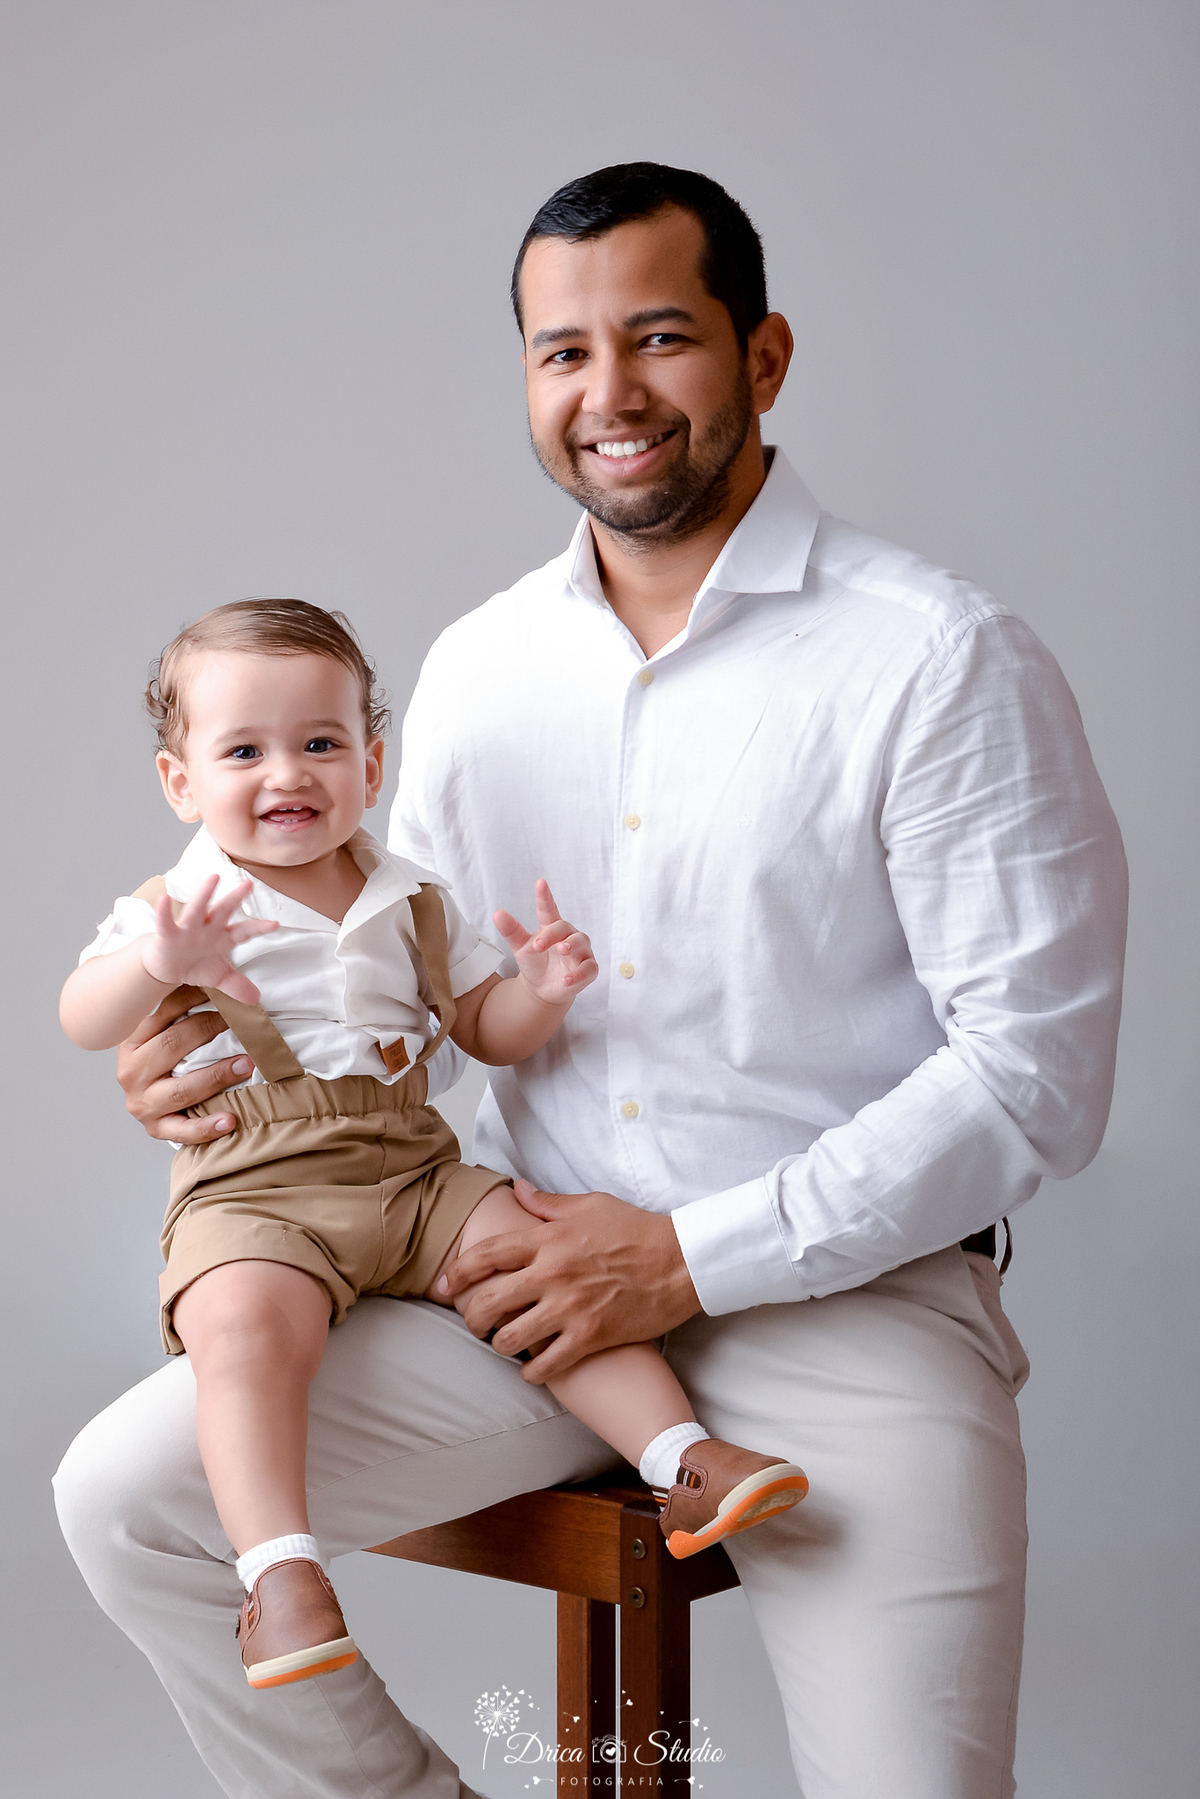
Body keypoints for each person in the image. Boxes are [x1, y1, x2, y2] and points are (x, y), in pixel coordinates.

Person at [54, 163, 1127, 1799]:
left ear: (764, 358)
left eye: (659, 338)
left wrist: (692, 1253)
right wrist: (209, 1049)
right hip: (521, 1282)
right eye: (562, 351)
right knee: (122, 1495)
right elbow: (393, 987)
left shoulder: (937, 657)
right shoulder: (480, 670)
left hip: (853, 1297)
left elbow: (1035, 1078)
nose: (608, 394)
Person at [57, 596, 807, 1690]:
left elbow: (477, 1029)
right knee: (245, 1325)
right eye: (244, 750)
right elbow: (84, 1016)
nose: (288, 774)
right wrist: (152, 960)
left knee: (532, 1262)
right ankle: (280, 1569)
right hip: (256, 1185)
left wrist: (538, 994)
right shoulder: (181, 903)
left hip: (408, 1168)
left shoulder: (408, 895)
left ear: (369, 762)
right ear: (183, 782)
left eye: (321, 744)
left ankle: (681, 1457)